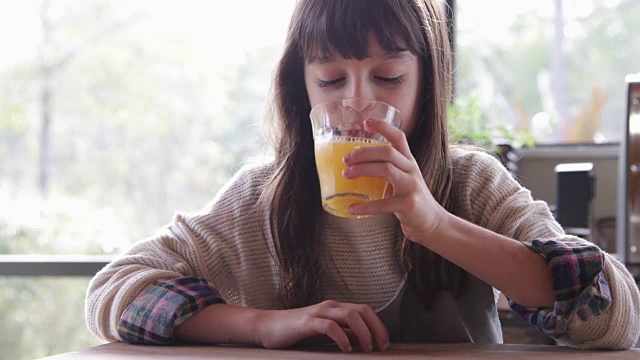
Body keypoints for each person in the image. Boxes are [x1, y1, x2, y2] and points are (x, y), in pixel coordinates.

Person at [85, 0, 640, 353]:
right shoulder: (260, 199)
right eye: (330, 81)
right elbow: (113, 292)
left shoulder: (470, 183)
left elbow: (613, 313)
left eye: (388, 76)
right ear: (300, 90)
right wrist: (259, 324)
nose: (358, 106)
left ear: (427, 83)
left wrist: (435, 224)